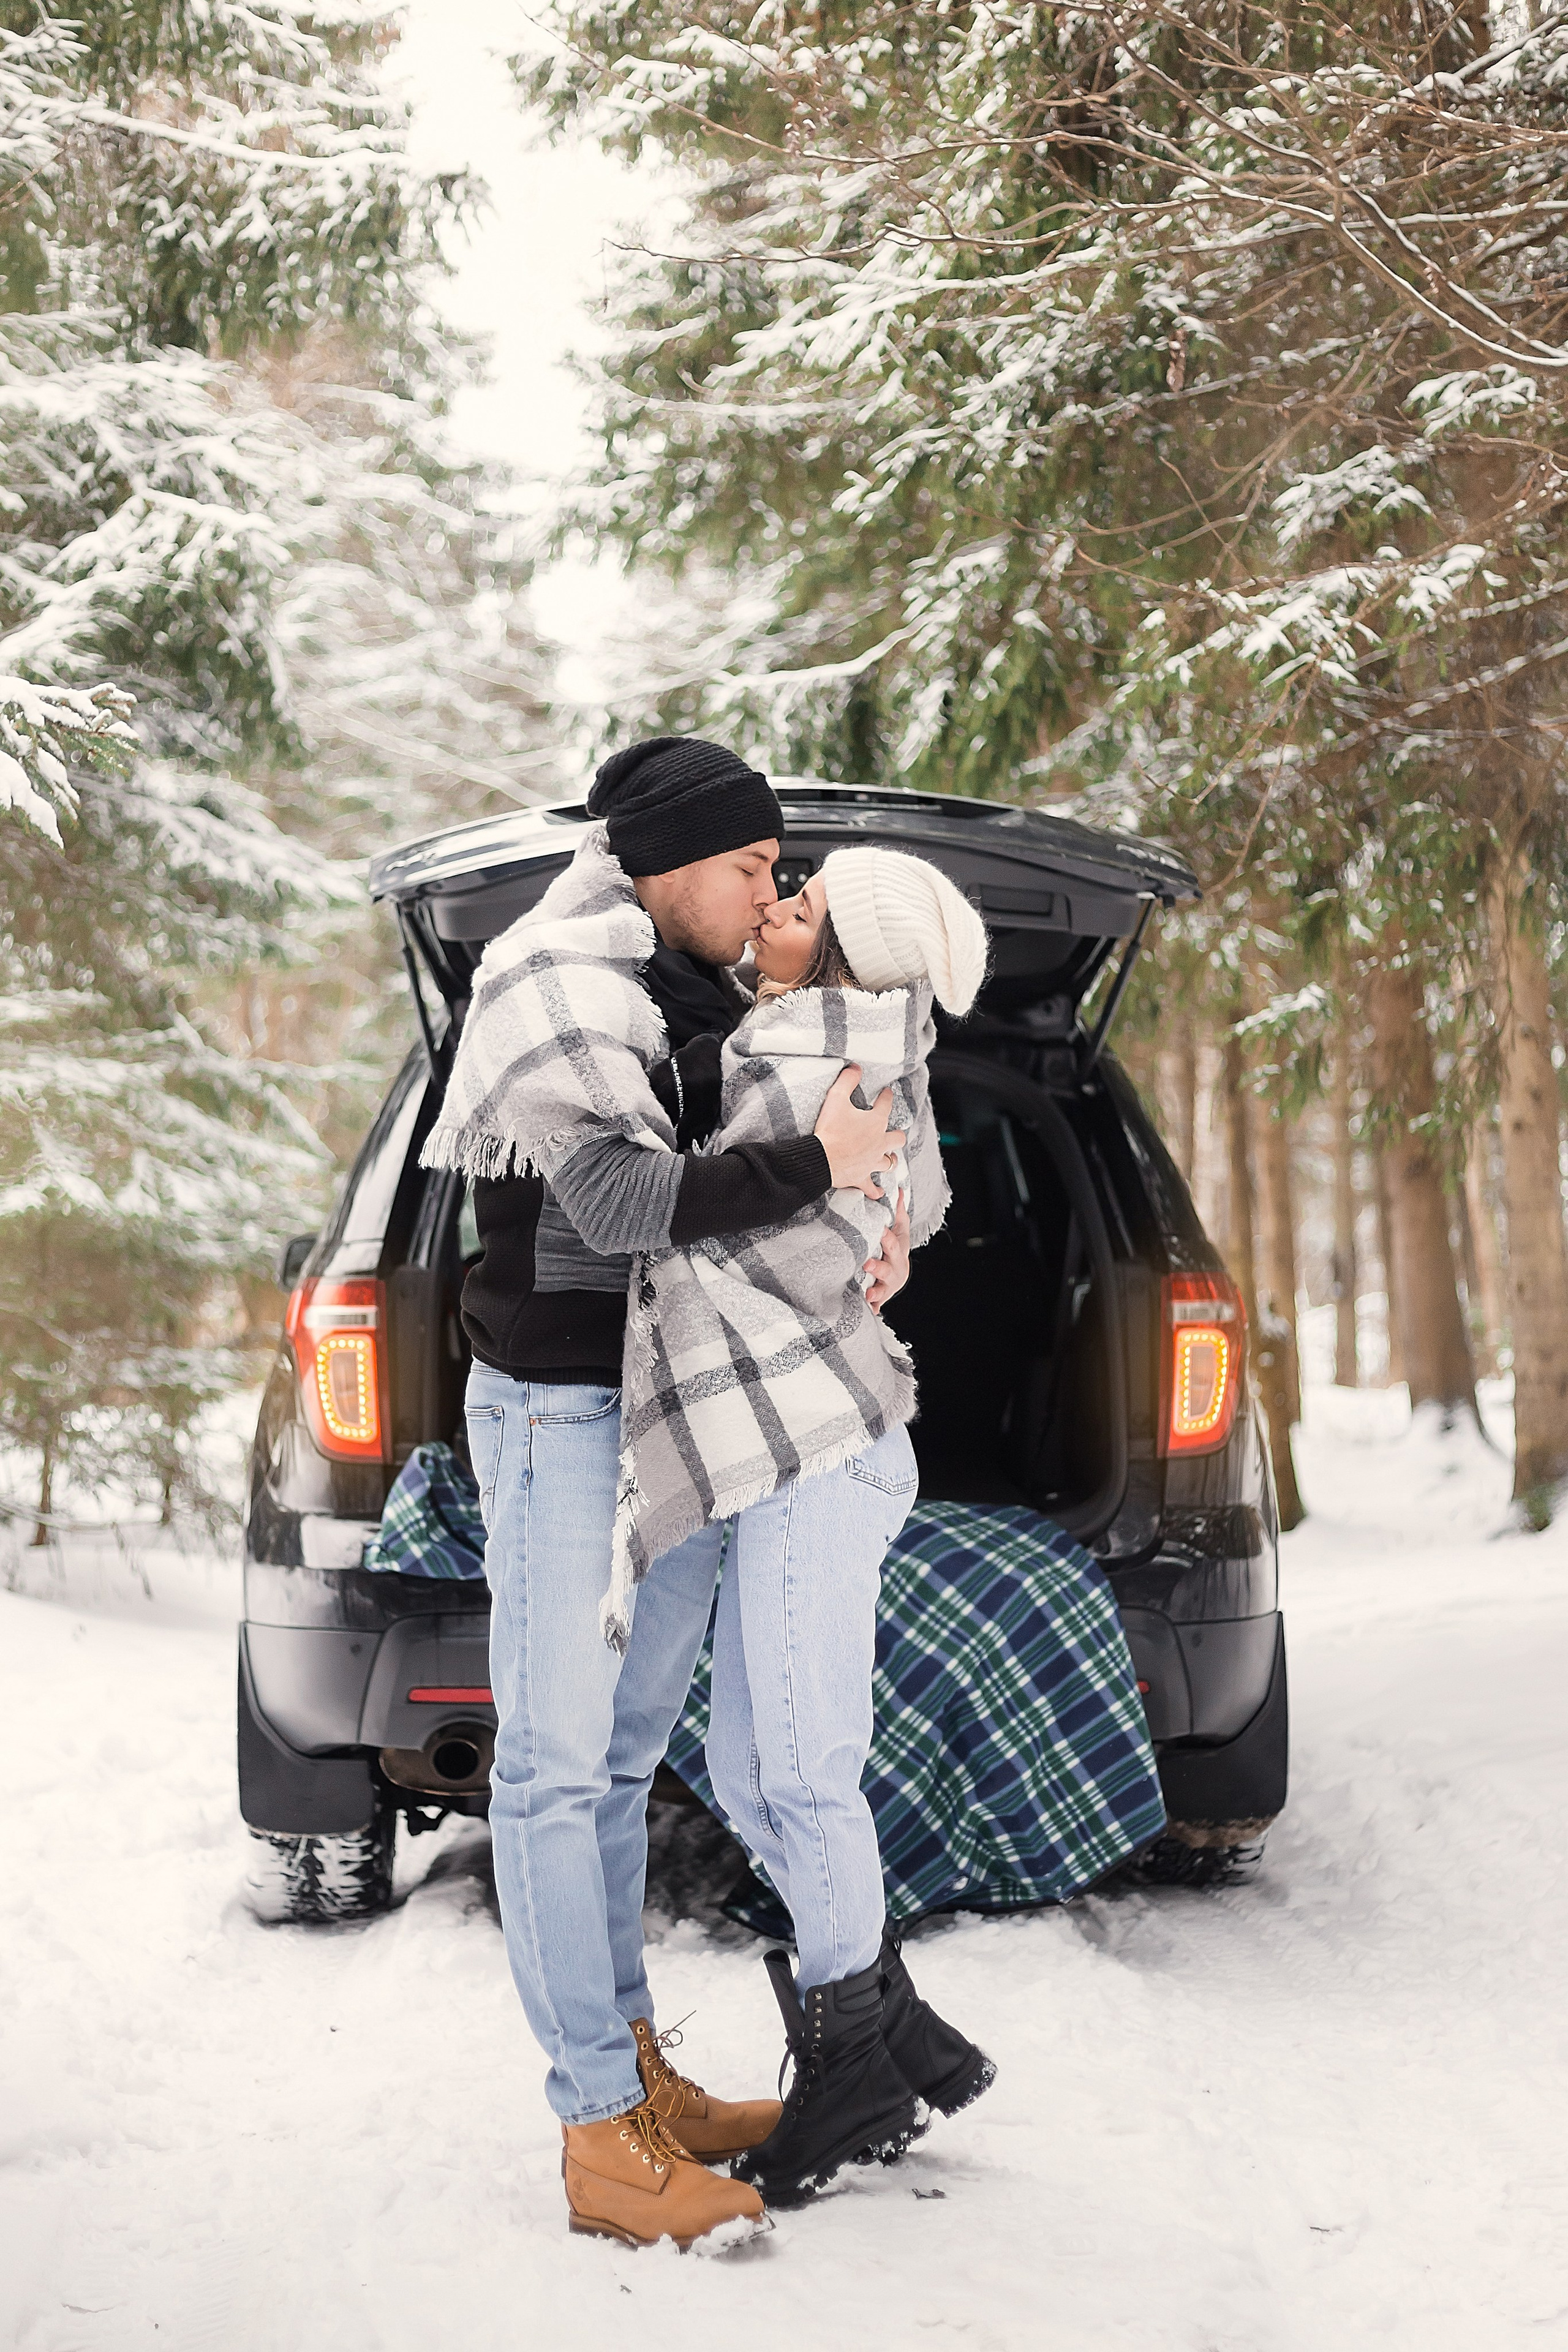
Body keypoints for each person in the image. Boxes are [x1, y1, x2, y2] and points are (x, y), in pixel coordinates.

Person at [420, 736, 908, 2250]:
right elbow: (624, 1201)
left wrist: (872, 1228)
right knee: (555, 1773)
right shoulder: (556, 980)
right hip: (564, 1415)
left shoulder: (693, 997)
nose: (771, 890)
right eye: (752, 865)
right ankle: (595, 2130)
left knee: (622, 1765)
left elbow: (749, 1186)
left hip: (663, 1419)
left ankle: (636, 2077)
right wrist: (813, 1167)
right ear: (672, 864)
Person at [609, 848, 998, 2207]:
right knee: (748, 1766)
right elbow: (913, 1198)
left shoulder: (813, 1053)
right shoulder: (838, 1039)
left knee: (799, 1771)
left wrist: (828, 1211)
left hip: (821, 1452)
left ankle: (848, 2068)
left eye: (806, 905)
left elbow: (743, 1244)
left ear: (842, 957)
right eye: (789, 888)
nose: (778, 904)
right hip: (807, 1451)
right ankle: (888, 2020)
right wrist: (888, 1223)